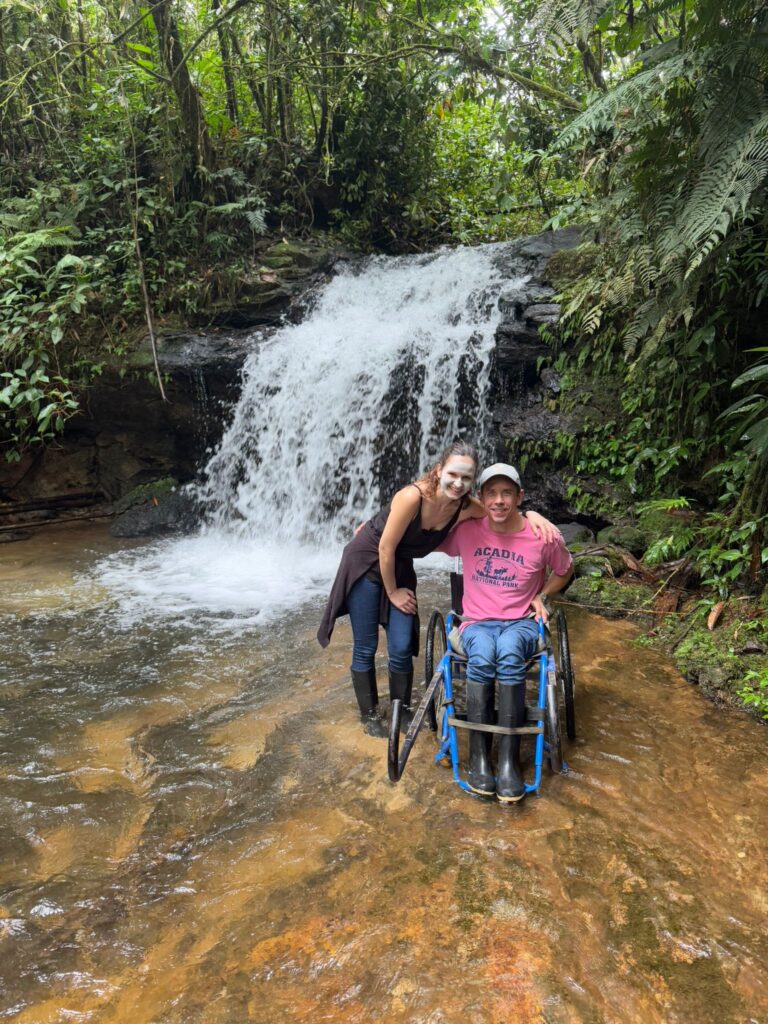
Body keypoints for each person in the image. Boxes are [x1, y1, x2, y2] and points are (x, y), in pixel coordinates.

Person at [317, 442, 558, 735]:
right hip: (367, 564)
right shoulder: (412, 496)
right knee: (366, 646)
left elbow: (504, 512)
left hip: (400, 566)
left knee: (403, 644)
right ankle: (369, 716)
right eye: (453, 474)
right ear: (438, 470)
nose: (458, 482)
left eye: (466, 478)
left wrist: (534, 515)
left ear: (472, 482)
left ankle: (401, 711)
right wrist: (393, 592)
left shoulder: (466, 507)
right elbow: (385, 546)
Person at [436, 463, 573, 802]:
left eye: (507, 493)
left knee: (510, 651)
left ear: (519, 496)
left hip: (521, 622)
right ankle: (481, 759)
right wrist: (379, 531)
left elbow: (565, 570)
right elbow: (425, 531)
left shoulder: (543, 535)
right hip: (476, 622)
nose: (499, 500)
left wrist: (542, 596)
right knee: (482, 655)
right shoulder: (467, 530)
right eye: (492, 493)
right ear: (481, 498)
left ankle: (509, 762)